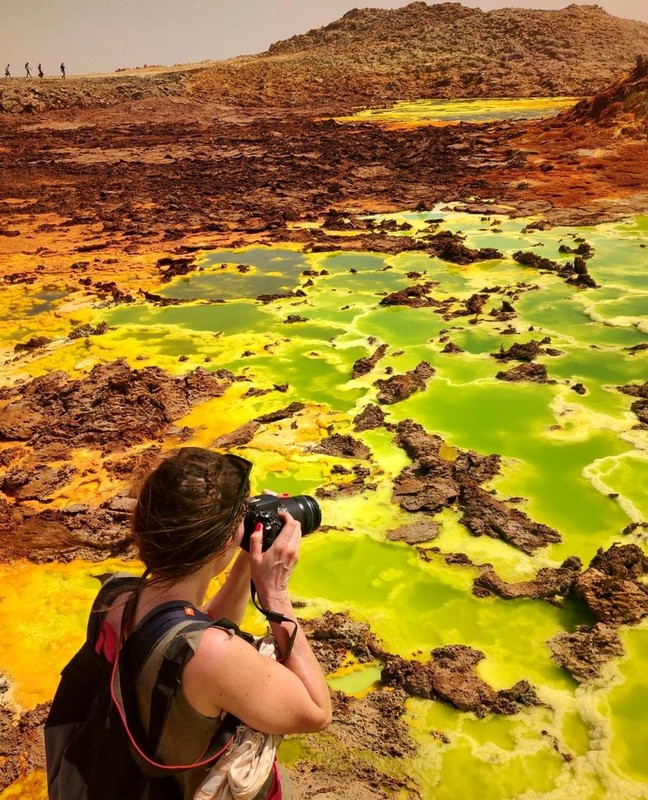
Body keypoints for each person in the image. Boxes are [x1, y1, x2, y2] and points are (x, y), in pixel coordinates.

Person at [94, 447, 331, 798]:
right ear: (225, 540)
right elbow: (316, 711)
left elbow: (192, 626)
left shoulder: (118, 597)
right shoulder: (214, 655)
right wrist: (276, 596)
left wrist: (249, 558)